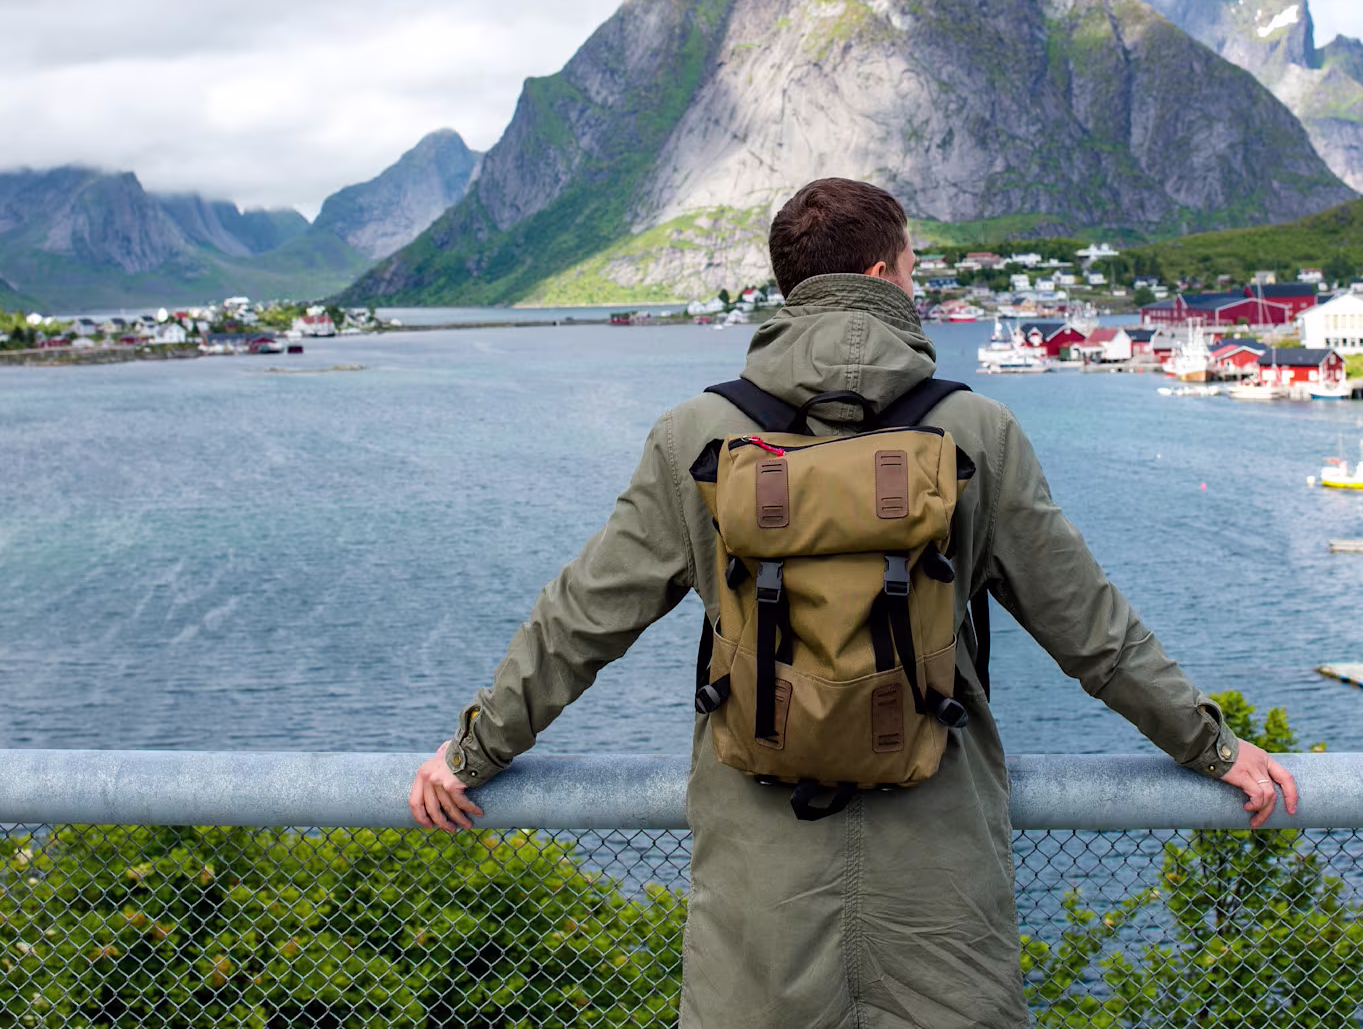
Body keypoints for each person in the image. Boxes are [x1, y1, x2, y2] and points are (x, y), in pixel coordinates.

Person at [410, 177, 1297, 1028]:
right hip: (940, 880)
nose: (918, 282)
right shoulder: (976, 431)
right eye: (912, 265)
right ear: (880, 275)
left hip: (762, 887)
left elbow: (583, 618)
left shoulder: (700, 436)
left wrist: (475, 749)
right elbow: (1089, 627)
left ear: (792, 287)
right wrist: (1210, 744)